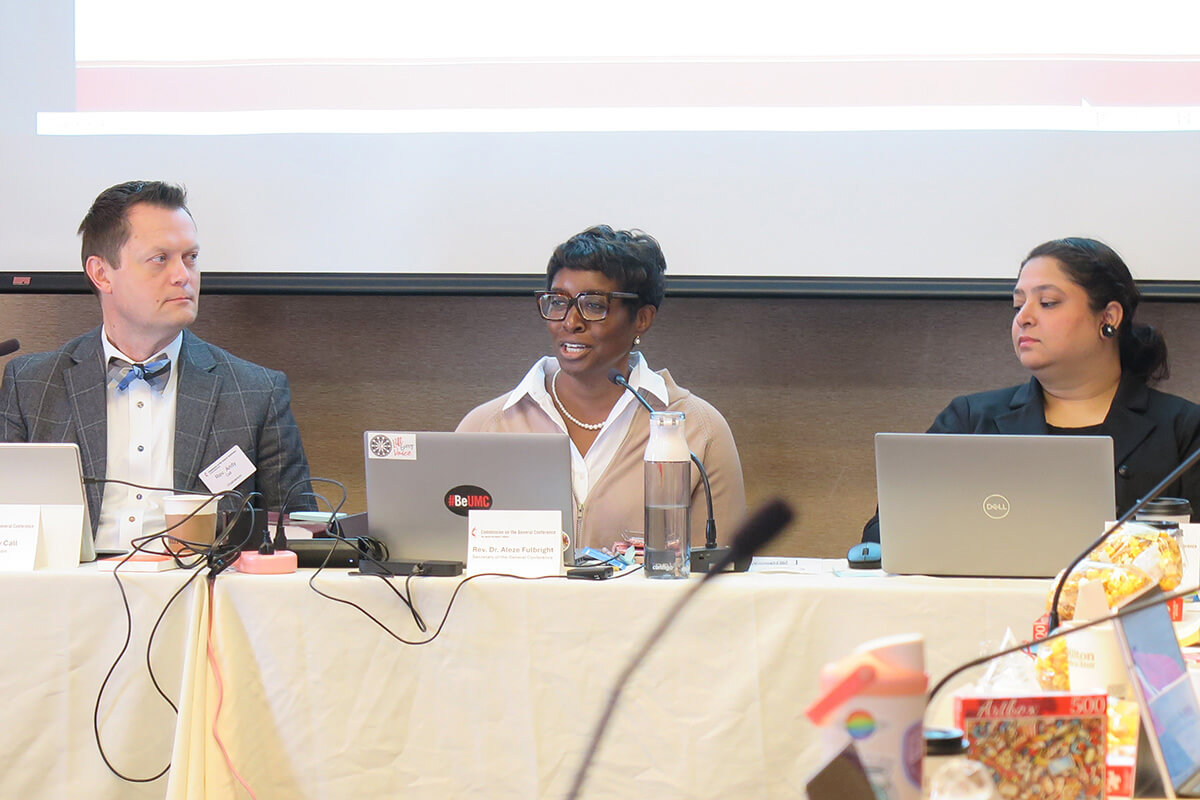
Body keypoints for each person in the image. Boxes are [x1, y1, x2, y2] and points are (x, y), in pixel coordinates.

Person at [0, 180, 313, 552]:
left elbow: (298, 536)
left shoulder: (256, 392)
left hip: (200, 598)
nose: (183, 275)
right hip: (70, 595)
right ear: (101, 274)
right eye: (160, 259)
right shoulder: (31, 385)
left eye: (191, 257)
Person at [862, 237, 1200, 543]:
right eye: (1018, 305)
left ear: (1108, 317)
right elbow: (883, 535)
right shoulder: (970, 420)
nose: (1023, 317)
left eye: (1048, 302)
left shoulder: (1183, 430)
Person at [457, 225, 746, 551]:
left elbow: (721, 581)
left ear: (642, 319)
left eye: (593, 305)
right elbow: (449, 566)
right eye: (558, 302)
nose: (570, 322)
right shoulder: (487, 427)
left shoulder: (697, 430)